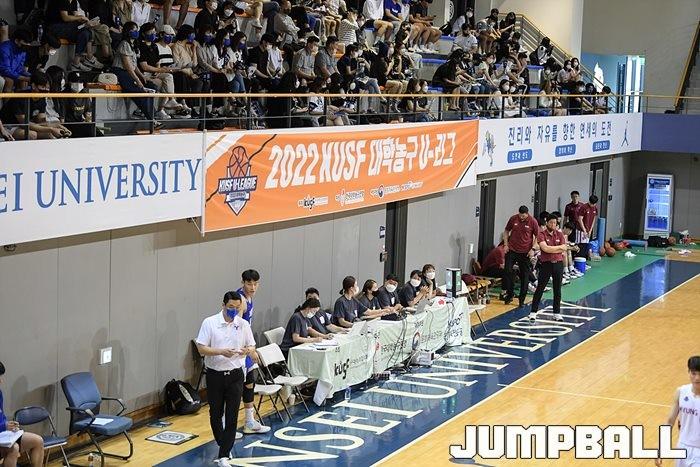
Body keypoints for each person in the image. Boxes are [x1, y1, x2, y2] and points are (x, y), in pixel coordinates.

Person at [195, 292, 256, 467]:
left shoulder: (243, 324)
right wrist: (221, 351)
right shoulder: (210, 323)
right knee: (215, 414)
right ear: (223, 305)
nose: (234, 311)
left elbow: (252, 345)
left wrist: (247, 350)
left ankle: (224, 455)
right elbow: (201, 348)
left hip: (236, 374)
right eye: (230, 307)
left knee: (232, 415)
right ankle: (223, 444)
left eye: (237, 308)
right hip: (215, 375)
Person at [235, 269, 270, 435]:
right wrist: (249, 350)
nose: (253, 287)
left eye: (256, 284)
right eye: (249, 284)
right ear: (243, 283)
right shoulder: (240, 299)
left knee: (249, 384)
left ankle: (249, 422)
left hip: (246, 348)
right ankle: (227, 427)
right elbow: (236, 328)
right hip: (239, 350)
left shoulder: (249, 298)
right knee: (235, 390)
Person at [655, 356, 700, 467]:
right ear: (688, 372)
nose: (697, 378)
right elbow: (670, 421)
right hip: (682, 447)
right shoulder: (681, 392)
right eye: (694, 373)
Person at [528, 214, 572, 322]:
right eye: (551, 222)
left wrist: (554, 248)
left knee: (557, 289)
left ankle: (556, 313)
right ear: (547, 222)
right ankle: (533, 312)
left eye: (555, 223)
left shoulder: (560, 234)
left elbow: (564, 247)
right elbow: (545, 248)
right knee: (540, 288)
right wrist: (558, 248)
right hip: (546, 264)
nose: (553, 224)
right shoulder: (541, 234)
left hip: (558, 264)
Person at [502, 205, 539, 307]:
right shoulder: (513, 219)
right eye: (520, 215)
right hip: (512, 250)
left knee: (525, 276)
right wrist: (505, 244)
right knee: (507, 271)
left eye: (523, 216)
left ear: (527, 214)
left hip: (525, 252)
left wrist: (533, 249)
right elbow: (506, 231)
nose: (521, 217)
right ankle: (510, 294)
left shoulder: (533, 221)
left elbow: (538, 236)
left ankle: (521, 300)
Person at [576, 195, 598, 260]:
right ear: (589, 201)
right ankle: (579, 261)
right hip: (581, 230)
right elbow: (580, 219)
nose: (592, 205)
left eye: (594, 204)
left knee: (586, 245)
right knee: (581, 245)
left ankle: (584, 261)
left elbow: (593, 219)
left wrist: (590, 230)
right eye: (591, 203)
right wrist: (584, 231)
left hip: (588, 230)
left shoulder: (595, 208)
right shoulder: (584, 207)